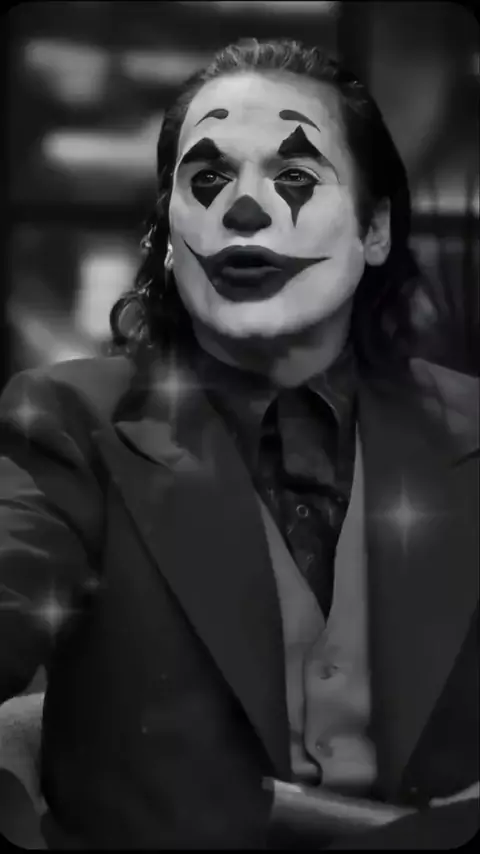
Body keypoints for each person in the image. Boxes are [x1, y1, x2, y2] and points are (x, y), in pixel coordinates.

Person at [0, 38, 478, 850]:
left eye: (294, 176)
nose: (244, 209)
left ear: (374, 230)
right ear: (169, 235)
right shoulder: (68, 422)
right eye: (207, 180)